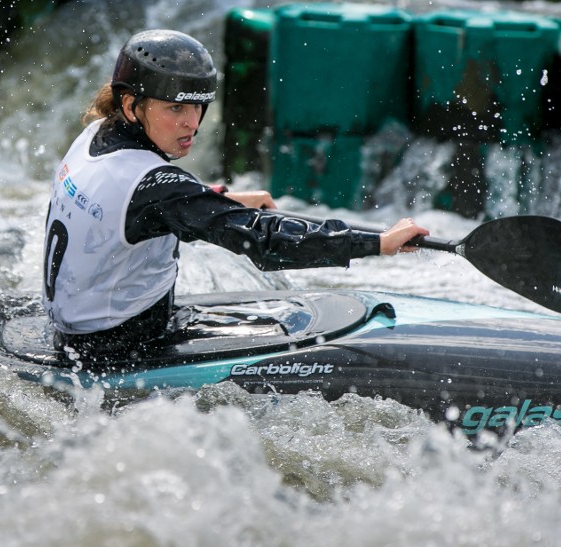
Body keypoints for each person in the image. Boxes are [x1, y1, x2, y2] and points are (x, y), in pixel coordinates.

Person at [42, 29, 429, 357]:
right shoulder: (158, 189)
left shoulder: (95, 135)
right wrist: (378, 243)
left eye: (198, 108)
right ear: (131, 104)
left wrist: (217, 198)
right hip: (122, 346)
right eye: (175, 108)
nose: (191, 124)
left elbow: (136, 204)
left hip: (75, 333)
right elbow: (262, 241)